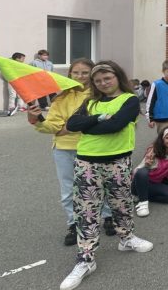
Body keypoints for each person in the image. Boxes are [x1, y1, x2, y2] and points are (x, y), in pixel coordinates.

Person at [62, 61, 152, 290]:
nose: (103, 83)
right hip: (87, 161)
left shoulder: (130, 100)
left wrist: (90, 125)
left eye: (107, 78)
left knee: (121, 204)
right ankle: (85, 259)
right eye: (98, 80)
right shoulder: (90, 102)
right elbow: (72, 124)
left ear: (117, 77)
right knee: (87, 210)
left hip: (118, 160)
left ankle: (127, 238)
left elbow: (118, 125)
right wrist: (99, 118)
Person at [29, 58, 115, 245]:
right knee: (69, 190)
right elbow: (53, 126)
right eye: (76, 72)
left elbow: (104, 120)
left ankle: (108, 217)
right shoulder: (61, 98)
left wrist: (70, 127)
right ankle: (74, 224)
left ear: (92, 74)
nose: (80, 76)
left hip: (93, 146)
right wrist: (37, 119)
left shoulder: (100, 95)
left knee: (100, 184)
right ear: (70, 74)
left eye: (85, 72)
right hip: (64, 149)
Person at [131, 127, 168, 217]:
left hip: (154, 184)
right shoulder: (153, 151)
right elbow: (139, 171)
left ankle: (141, 195)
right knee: (142, 171)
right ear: (162, 139)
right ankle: (143, 202)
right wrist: (147, 164)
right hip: (139, 182)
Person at [146, 59, 168, 133]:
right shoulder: (157, 84)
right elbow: (150, 102)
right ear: (163, 71)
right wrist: (150, 118)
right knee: (164, 140)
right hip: (162, 119)